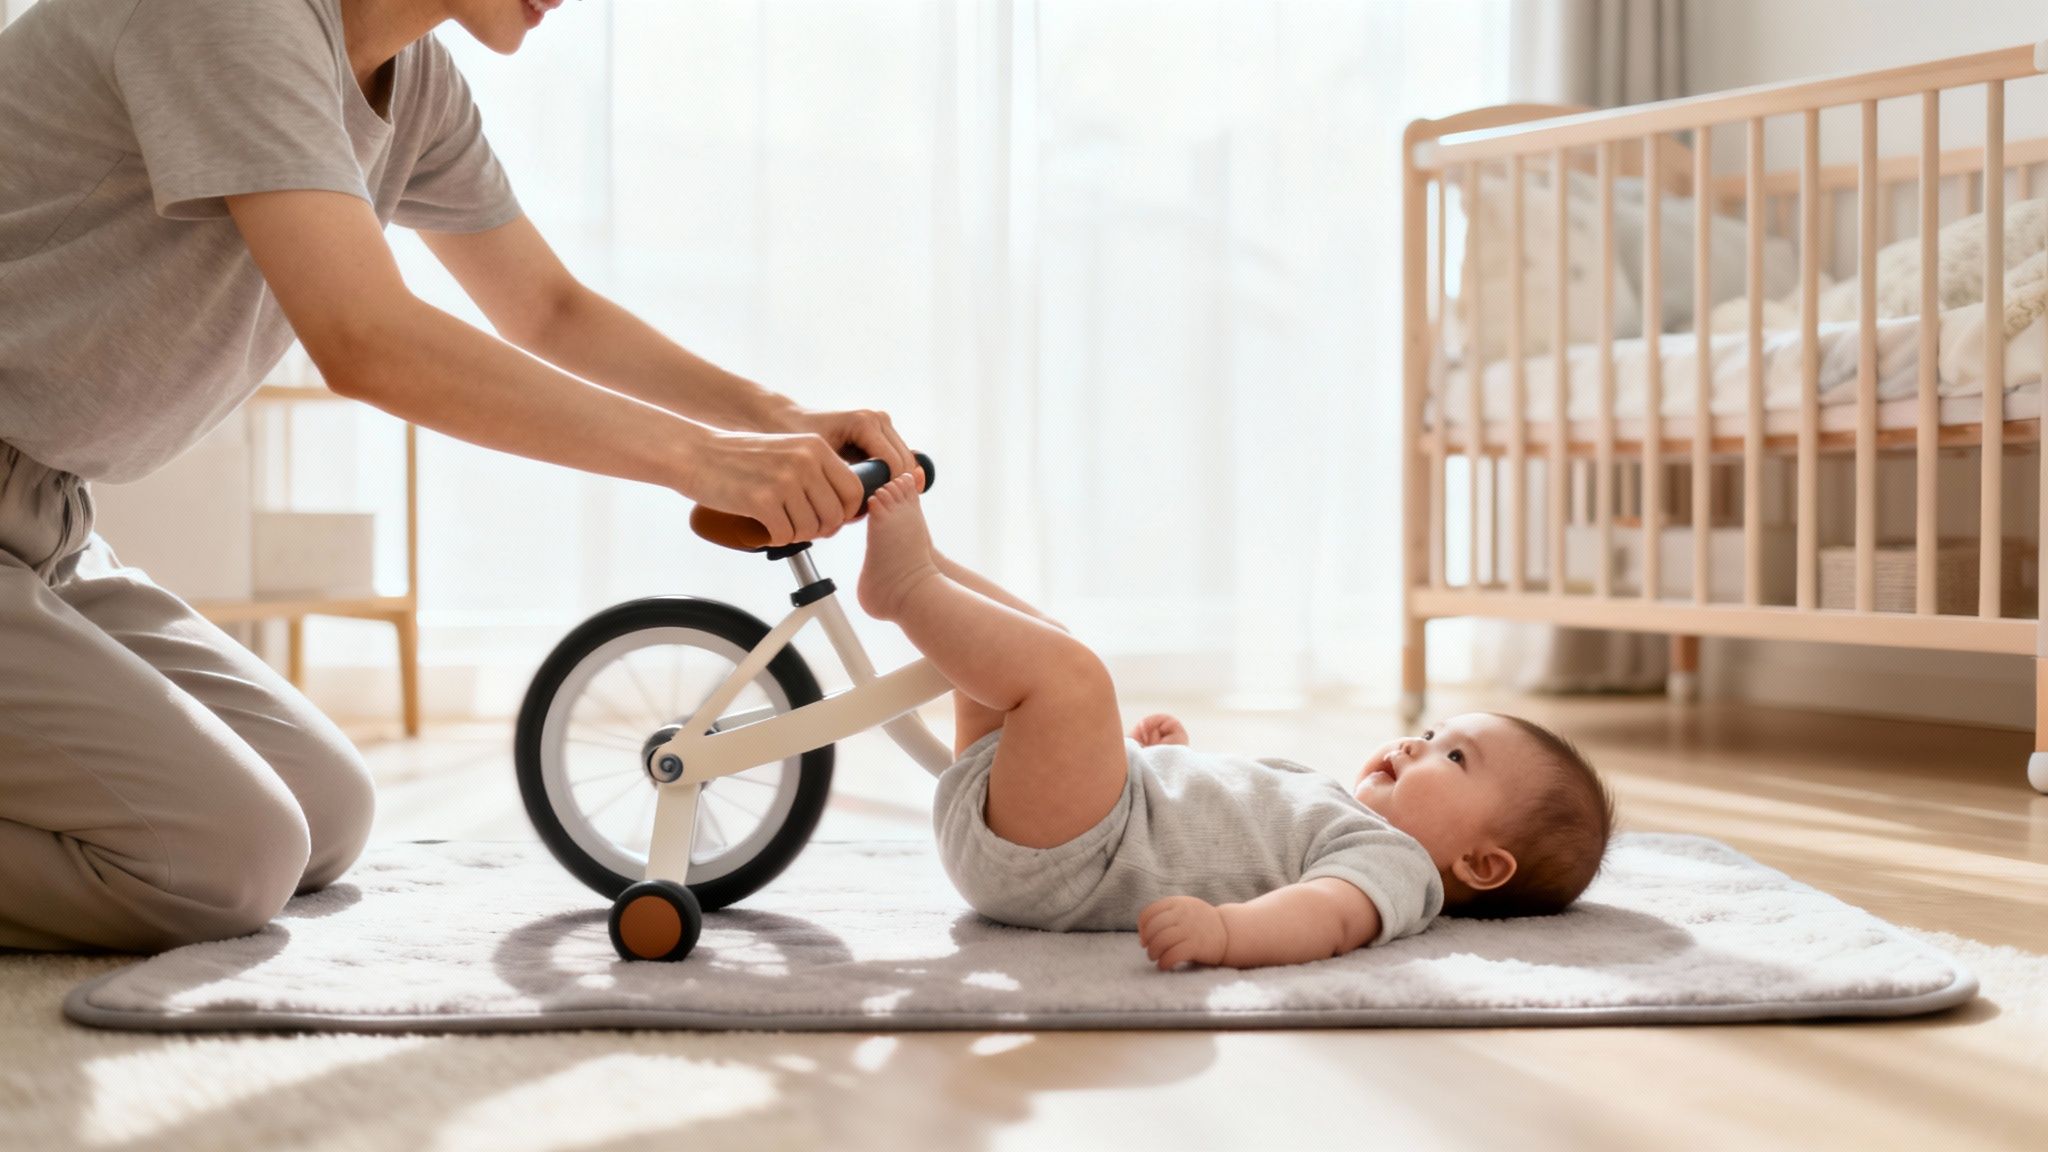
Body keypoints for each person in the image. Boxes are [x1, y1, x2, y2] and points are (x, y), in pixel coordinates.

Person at [0, 0, 917, 952]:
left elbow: (549, 309)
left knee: (327, 811)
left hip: (49, 522)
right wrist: (700, 460)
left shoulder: (416, 82)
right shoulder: (230, 14)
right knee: (227, 860)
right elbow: (364, 338)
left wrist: (771, 419)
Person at [854, 473, 1615, 970]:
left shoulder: (1397, 867)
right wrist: (1166, 763)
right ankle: (932, 568)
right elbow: (1226, 818)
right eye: (1434, 732)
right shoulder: (1335, 808)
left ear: (1483, 865)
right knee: (1049, 650)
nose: (1418, 742)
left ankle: (909, 586)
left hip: (1071, 860)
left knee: (1073, 678)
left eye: (1453, 758)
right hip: (1064, 826)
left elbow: (1323, 917)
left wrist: (1228, 935)